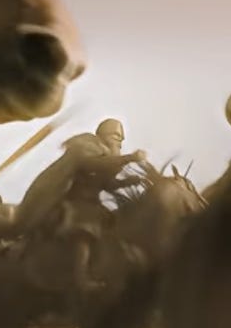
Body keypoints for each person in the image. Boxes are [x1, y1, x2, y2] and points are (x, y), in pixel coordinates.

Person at [8, 118, 146, 294]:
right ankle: (81, 277)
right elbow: (92, 164)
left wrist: (128, 182)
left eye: (121, 138)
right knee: (86, 224)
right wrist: (130, 158)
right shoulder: (86, 146)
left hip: (92, 203)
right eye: (116, 136)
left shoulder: (109, 157)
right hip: (71, 201)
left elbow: (106, 184)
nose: (119, 141)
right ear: (104, 134)